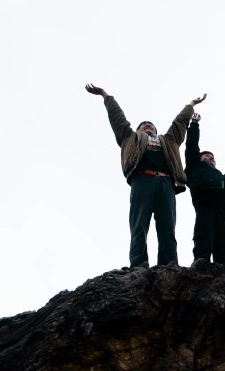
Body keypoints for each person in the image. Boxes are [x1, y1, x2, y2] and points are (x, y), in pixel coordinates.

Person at [85, 83, 206, 268]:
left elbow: (180, 123)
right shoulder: (129, 137)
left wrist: (191, 105)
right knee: (139, 226)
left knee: (167, 229)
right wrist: (105, 95)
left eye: (151, 125)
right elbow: (118, 118)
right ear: (139, 130)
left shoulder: (169, 140)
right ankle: (139, 265)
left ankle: (168, 266)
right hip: (142, 181)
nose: (148, 126)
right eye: (144, 125)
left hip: (166, 183)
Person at [184, 113, 225, 272]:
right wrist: (194, 125)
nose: (210, 158)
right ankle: (200, 268)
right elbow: (192, 146)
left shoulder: (223, 179)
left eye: (212, 157)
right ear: (200, 159)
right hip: (205, 208)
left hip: (223, 214)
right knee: (203, 239)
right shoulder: (194, 168)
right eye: (207, 156)